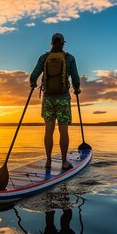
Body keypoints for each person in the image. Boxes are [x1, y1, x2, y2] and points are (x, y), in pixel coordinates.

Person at [30, 33, 81, 170]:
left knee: (49, 131)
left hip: (47, 99)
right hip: (63, 98)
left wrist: (33, 83)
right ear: (63, 43)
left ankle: (48, 161)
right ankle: (64, 162)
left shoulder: (44, 57)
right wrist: (77, 89)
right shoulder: (69, 58)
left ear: (51, 43)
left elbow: (33, 76)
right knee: (63, 131)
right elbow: (75, 78)